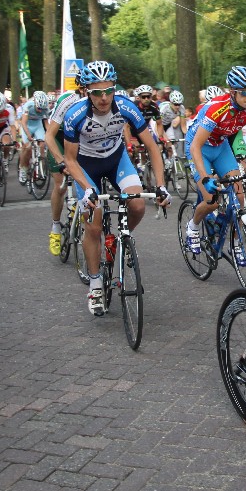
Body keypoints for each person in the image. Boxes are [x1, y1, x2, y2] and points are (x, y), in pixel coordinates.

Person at [62, 61, 169, 316]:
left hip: (116, 160)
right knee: (94, 224)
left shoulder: (126, 107)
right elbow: (70, 160)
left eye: (109, 90)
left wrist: (161, 185)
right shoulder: (75, 115)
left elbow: (152, 147)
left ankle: (120, 239)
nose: (104, 98)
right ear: (86, 91)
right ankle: (95, 284)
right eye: (97, 92)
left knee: (138, 204)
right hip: (86, 166)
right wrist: (86, 188)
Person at [183, 67, 246, 254]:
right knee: (211, 200)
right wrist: (205, 177)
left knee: (239, 196)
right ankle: (193, 227)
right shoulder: (217, 108)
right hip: (199, 147)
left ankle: (236, 244)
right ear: (232, 92)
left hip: (221, 147)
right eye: (244, 93)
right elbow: (196, 146)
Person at [43, 86, 86, 255]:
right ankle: (55, 228)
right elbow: (49, 135)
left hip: (78, 140)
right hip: (59, 138)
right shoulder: (67, 100)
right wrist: (61, 161)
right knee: (60, 184)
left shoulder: (100, 102)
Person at [18, 90, 52, 185]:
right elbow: (23, 122)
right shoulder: (28, 106)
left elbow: (46, 125)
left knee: (42, 144)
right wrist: (28, 135)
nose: (40, 110)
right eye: (39, 108)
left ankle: (41, 166)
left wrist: (50, 135)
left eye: (42, 109)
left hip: (37, 126)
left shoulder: (46, 108)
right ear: (35, 103)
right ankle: (23, 169)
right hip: (27, 126)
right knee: (27, 147)